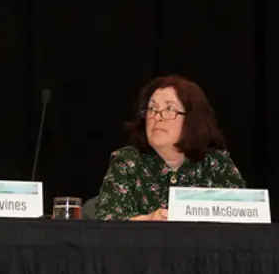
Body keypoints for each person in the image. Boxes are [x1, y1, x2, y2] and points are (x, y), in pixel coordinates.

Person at [95, 75, 245, 221]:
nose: (157, 117)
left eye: (169, 109)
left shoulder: (216, 164)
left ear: (192, 119)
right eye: (152, 109)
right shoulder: (128, 161)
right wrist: (147, 221)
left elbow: (245, 218)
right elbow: (106, 221)